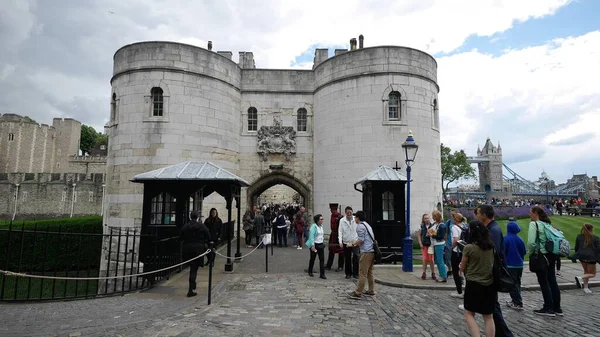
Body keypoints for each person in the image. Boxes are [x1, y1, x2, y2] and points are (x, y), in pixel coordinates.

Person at [474, 205, 514, 336]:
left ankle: (505, 334)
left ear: (484, 215)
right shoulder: (490, 228)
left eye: (478, 213)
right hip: (490, 271)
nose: (476, 215)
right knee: (492, 306)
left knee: (492, 307)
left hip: (493, 272)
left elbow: (492, 252)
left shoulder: (494, 230)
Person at [460, 221, 496, 337]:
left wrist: (460, 266)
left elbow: (462, 266)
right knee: (488, 316)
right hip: (489, 283)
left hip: (474, 283)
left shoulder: (469, 248)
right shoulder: (491, 247)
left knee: (469, 314)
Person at [526, 206, 562, 317]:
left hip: (541, 255)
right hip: (551, 255)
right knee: (552, 281)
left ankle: (548, 308)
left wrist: (531, 253)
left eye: (530, 213)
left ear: (535, 213)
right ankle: (557, 308)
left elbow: (531, 242)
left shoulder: (534, 224)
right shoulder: (547, 224)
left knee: (544, 282)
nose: (529, 215)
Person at [180, 210, 211, 297]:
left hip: (188, 249)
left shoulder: (186, 226)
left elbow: (181, 237)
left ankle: (192, 285)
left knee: (192, 268)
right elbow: (208, 236)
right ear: (197, 217)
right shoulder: (201, 226)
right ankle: (190, 289)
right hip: (198, 249)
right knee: (194, 269)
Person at [349, 211, 376, 299]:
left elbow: (361, 240)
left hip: (366, 252)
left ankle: (358, 292)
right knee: (369, 272)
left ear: (358, 218)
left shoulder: (360, 226)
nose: (354, 219)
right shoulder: (367, 225)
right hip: (372, 251)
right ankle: (371, 290)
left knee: (362, 273)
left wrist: (352, 244)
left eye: (355, 217)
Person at [504, 217, 526, 310]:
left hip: (510, 264)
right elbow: (524, 251)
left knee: (512, 284)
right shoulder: (520, 239)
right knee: (517, 283)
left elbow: (503, 252)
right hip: (519, 264)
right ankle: (515, 300)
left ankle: (517, 302)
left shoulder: (506, 239)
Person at [574, 223, 600, 293]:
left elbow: (576, 247)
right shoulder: (595, 238)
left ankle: (586, 287)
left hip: (582, 256)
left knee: (586, 272)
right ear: (591, 229)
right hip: (591, 257)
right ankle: (580, 278)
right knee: (592, 274)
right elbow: (598, 249)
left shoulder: (579, 236)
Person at [339, 206, 359, 279]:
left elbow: (359, 229)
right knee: (347, 258)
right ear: (345, 213)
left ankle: (356, 273)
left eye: (350, 212)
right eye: (348, 213)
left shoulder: (356, 219)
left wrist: (358, 240)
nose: (349, 214)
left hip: (355, 241)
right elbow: (340, 231)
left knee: (356, 257)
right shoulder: (342, 220)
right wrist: (340, 241)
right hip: (346, 241)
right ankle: (348, 273)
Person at [428, 210, 447, 283]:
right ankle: (442, 275)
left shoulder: (441, 225)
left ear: (437, 217)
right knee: (438, 261)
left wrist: (432, 235)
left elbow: (441, 236)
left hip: (439, 244)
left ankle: (443, 276)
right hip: (437, 244)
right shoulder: (438, 224)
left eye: (434, 216)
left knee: (440, 261)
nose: (433, 218)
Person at [305, 214, 326, 279]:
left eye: (322, 219)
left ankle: (322, 274)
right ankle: (310, 271)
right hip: (315, 244)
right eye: (321, 219)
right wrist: (312, 246)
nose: (322, 220)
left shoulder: (321, 226)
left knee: (322, 259)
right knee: (313, 258)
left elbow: (322, 235)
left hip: (320, 244)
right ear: (317, 220)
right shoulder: (313, 227)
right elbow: (311, 237)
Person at [418, 214, 436, 280]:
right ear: (423, 219)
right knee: (425, 258)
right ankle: (424, 272)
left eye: (428, 218)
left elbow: (434, 235)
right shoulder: (421, 226)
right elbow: (419, 235)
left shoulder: (432, 226)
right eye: (425, 218)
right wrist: (420, 243)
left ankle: (433, 273)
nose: (427, 219)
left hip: (430, 244)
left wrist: (430, 234)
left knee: (431, 259)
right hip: (424, 244)